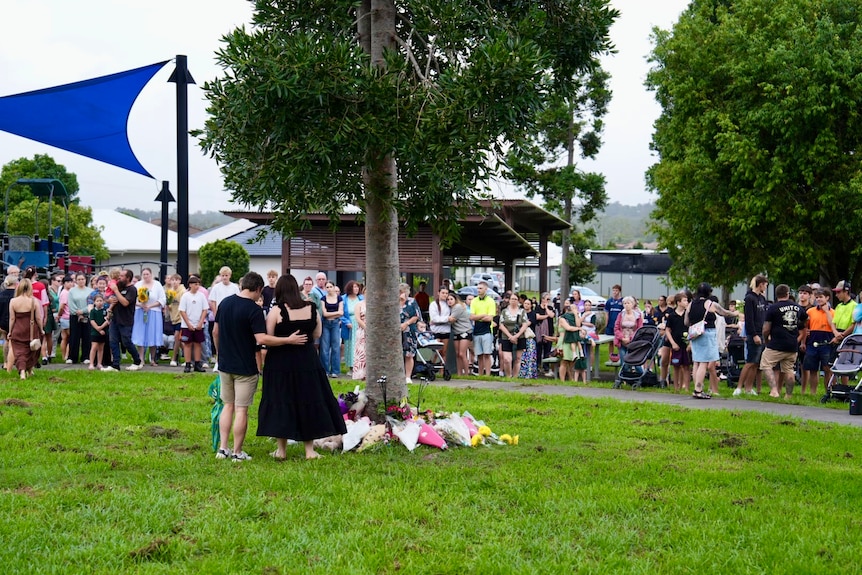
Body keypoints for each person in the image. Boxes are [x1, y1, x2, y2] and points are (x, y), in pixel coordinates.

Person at [214, 272, 305, 461]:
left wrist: (219, 354)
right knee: (241, 410)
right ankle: (237, 452)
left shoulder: (225, 303)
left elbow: (216, 331)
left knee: (227, 406)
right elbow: (262, 339)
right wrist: (288, 340)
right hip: (245, 367)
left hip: (225, 364)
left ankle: (222, 449)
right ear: (257, 289)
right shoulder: (254, 310)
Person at [257, 274, 348, 460]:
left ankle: (281, 450)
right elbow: (317, 333)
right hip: (307, 361)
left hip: (280, 363)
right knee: (308, 401)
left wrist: (286, 339)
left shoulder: (276, 311)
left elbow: (268, 337)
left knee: (281, 402)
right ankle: (309, 450)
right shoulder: (311, 308)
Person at [685, 283, 737, 399]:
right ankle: (698, 390)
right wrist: (735, 313)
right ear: (708, 292)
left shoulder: (691, 304)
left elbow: (686, 321)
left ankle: (697, 388)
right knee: (704, 362)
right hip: (707, 334)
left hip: (695, 334)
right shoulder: (709, 303)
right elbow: (724, 312)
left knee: (696, 362)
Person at [760, 284, 806, 399]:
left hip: (776, 343)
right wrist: (798, 327)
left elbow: (766, 328)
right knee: (789, 369)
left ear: (777, 295)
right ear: (788, 294)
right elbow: (805, 319)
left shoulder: (773, 308)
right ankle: (788, 395)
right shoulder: (797, 307)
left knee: (766, 364)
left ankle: (774, 390)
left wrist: (766, 339)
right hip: (792, 344)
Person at [102, 269, 144, 372]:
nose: (119, 277)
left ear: (128, 278)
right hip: (115, 318)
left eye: (122, 276)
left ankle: (137, 361)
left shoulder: (132, 289)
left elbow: (125, 303)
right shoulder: (119, 287)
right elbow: (110, 298)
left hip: (126, 319)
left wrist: (116, 291)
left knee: (126, 342)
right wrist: (109, 300)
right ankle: (115, 364)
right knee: (113, 341)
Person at [735, 275, 768, 396]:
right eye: (765, 285)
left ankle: (748, 388)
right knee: (749, 362)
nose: (766, 287)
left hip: (762, 332)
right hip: (754, 334)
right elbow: (749, 319)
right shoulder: (749, 298)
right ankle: (739, 387)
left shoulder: (762, 298)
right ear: (760, 284)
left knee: (756, 363)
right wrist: (754, 334)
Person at [8, 278, 42, 379]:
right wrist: (41, 329)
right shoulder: (34, 301)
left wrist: (10, 331)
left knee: (19, 352)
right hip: (31, 330)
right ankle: (29, 370)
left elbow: (12, 318)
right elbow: (38, 318)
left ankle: (22, 372)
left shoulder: (13, 301)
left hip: (18, 329)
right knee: (31, 351)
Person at [132, 268, 166, 366]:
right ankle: (141, 358)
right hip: (140, 311)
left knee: (152, 334)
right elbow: (133, 299)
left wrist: (150, 306)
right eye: (144, 274)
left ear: (151, 274)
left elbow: (162, 299)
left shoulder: (157, 285)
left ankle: (152, 359)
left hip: (154, 312)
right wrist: (141, 305)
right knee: (141, 334)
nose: (146, 276)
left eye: (147, 274)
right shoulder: (138, 285)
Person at [208, 266, 240, 358]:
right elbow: (212, 302)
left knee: (230, 335)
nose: (224, 277)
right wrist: (216, 314)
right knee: (216, 333)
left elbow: (238, 301)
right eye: (223, 275)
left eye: (226, 275)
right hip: (219, 315)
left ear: (230, 275)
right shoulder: (216, 287)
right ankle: (218, 355)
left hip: (231, 315)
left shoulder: (234, 287)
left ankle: (231, 355)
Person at [179, 275, 209, 373]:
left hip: (198, 324)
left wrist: (201, 322)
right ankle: (188, 363)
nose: (197, 286)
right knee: (187, 344)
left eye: (198, 284)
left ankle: (197, 363)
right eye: (195, 284)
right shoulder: (185, 296)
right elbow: (182, 311)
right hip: (187, 325)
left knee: (198, 344)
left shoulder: (201, 296)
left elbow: (205, 309)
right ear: (190, 285)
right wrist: (188, 324)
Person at [664, 291, 691, 393]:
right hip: (676, 344)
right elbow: (667, 330)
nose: (686, 302)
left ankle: (687, 388)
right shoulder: (672, 315)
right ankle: (676, 387)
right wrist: (672, 343)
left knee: (687, 366)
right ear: (678, 302)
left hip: (686, 344)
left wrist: (690, 343)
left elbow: (692, 328)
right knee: (676, 366)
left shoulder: (688, 315)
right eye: (684, 300)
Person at [498, 292, 529, 377]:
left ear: (518, 300)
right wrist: (510, 336)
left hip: (520, 336)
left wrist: (516, 336)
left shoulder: (522, 311)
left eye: (515, 299)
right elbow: (501, 325)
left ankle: (515, 377)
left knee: (518, 359)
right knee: (507, 359)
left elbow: (525, 324)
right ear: (509, 300)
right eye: (512, 299)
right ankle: (508, 376)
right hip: (506, 336)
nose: (513, 301)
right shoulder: (504, 311)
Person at [469, 281, 496, 376]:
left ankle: (488, 374)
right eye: (478, 288)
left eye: (480, 288)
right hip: (477, 330)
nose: (478, 290)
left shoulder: (491, 301)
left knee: (487, 354)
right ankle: (480, 374)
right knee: (479, 355)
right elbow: (471, 316)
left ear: (486, 289)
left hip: (487, 330)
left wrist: (478, 317)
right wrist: (483, 315)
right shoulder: (474, 301)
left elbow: (490, 318)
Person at [319, 280, 343, 377]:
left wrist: (332, 314)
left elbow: (341, 312)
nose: (329, 289)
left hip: (335, 324)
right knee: (324, 348)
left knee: (335, 347)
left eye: (330, 287)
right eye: (327, 287)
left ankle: (335, 371)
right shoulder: (323, 298)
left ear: (334, 287)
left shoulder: (339, 298)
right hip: (325, 324)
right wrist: (336, 313)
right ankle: (325, 370)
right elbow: (324, 313)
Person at [67, 274, 92, 364]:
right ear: (76, 280)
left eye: (82, 279)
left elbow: (91, 304)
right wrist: (77, 312)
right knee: (74, 337)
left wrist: (83, 311)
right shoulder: (72, 291)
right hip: (75, 316)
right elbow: (71, 304)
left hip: (87, 316)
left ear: (85, 280)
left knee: (87, 337)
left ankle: (86, 356)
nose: (81, 281)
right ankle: (72, 357)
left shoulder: (90, 291)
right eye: (79, 279)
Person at [399, 282, 421, 383]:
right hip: (396, 330)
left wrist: (406, 323)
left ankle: (408, 376)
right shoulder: (394, 302)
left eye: (404, 291)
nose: (402, 294)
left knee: (409, 354)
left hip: (409, 330)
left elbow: (416, 316)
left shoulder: (412, 302)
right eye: (400, 292)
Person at [447, 292, 472, 376]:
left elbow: (451, 319)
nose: (449, 301)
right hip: (456, 332)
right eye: (448, 299)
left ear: (455, 299)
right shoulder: (451, 308)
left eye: (451, 299)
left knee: (462, 353)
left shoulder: (458, 307)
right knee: (457, 354)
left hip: (465, 331)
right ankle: (459, 373)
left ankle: (466, 373)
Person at [613, 296, 643, 367]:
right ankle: (624, 374)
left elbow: (639, 329)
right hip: (622, 342)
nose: (626, 305)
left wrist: (630, 339)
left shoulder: (637, 316)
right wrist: (622, 338)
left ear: (632, 304)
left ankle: (641, 374)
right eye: (625, 303)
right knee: (624, 364)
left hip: (633, 342)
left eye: (628, 303)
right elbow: (616, 328)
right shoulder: (620, 315)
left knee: (636, 364)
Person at [341, 280, 363, 371]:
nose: (356, 289)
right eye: (354, 287)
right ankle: (351, 366)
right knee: (350, 345)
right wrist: (346, 322)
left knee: (359, 344)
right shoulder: (343, 299)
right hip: (349, 324)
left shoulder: (361, 298)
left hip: (359, 323)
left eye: (357, 287)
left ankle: (360, 366)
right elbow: (341, 313)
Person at [165, 274, 186, 367]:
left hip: (181, 318)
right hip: (173, 317)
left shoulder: (183, 292)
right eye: (172, 280)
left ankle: (173, 358)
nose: (174, 282)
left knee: (177, 337)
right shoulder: (170, 292)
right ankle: (189, 357)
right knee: (180, 341)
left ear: (179, 281)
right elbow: (169, 306)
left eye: (176, 280)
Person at [535, 292, 556, 374]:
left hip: (549, 331)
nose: (548, 300)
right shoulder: (537, 307)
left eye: (549, 299)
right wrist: (546, 316)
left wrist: (546, 307)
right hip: (539, 331)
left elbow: (552, 315)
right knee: (539, 349)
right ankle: (538, 365)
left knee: (547, 350)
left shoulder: (550, 307)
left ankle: (546, 366)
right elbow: (538, 317)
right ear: (542, 299)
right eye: (547, 299)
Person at [428, 285, 451, 360]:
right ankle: (432, 365)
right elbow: (434, 319)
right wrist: (447, 319)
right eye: (443, 293)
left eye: (446, 293)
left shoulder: (449, 304)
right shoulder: (433, 304)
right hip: (436, 331)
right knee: (436, 351)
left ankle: (442, 367)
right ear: (438, 293)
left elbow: (453, 317)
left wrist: (444, 320)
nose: (445, 295)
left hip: (446, 331)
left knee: (444, 351)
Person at [518, 298, 538, 379]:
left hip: (529, 337)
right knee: (521, 355)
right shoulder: (520, 313)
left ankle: (530, 374)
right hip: (521, 336)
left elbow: (527, 324)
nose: (526, 305)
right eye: (525, 303)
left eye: (528, 304)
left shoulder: (533, 314)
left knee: (530, 356)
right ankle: (521, 373)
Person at [88, 294, 110, 370]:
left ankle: (99, 363)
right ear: (94, 302)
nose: (99, 302)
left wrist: (101, 328)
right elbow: (92, 321)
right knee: (94, 347)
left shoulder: (105, 311)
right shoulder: (93, 311)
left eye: (101, 301)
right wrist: (98, 329)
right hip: (95, 332)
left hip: (103, 332)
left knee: (101, 348)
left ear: (103, 301)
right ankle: (91, 363)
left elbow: (107, 320)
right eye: (97, 301)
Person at [0, 275, 17, 370]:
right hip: (15, 321)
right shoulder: (17, 295)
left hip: (2, 322)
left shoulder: (1, 295)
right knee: (14, 342)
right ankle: (13, 361)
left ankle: (6, 362)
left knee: (6, 341)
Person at [604, 284, 624, 362]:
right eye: (613, 290)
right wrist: (606, 323)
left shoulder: (622, 301)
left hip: (619, 325)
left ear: (619, 291)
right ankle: (611, 357)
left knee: (619, 341)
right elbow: (606, 313)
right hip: (610, 324)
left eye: (616, 290)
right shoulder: (609, 301)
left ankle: (620, 357)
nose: (615, 292)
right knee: (610, 341)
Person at [352, 290, 367, 381]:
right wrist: (366, 328)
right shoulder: (359, 304)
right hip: (362, 331)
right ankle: (361, 374)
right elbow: (358, 318)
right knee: (362, 352)